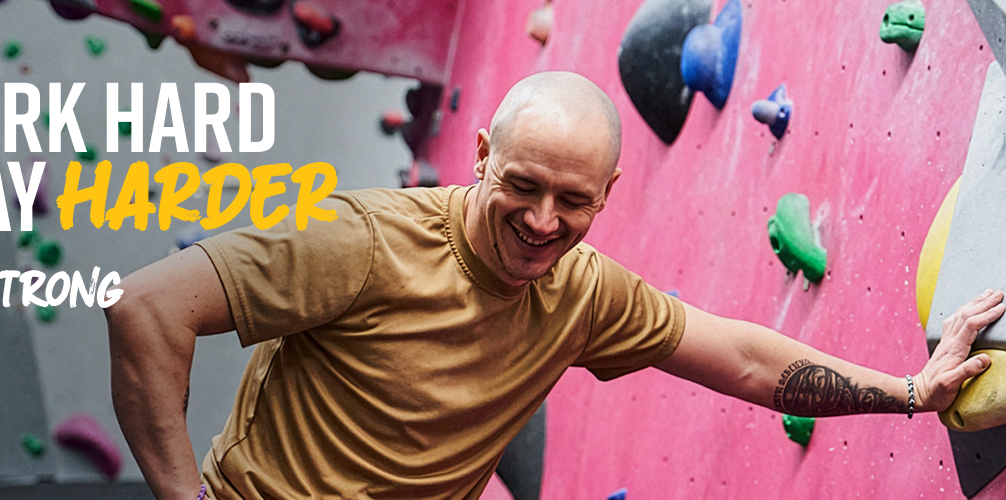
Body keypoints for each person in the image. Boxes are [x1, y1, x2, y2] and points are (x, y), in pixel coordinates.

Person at [105, 71, 1003, 500]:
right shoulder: (364, 242)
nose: (541, 221)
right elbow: (147, 306)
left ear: (606, 194)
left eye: (572, 201)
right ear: (481, 155)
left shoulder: (584, 295)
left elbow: (740, 358)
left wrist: (912, 391)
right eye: (522, 186)